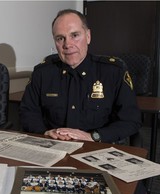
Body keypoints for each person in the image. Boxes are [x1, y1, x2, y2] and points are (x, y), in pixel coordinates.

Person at [19, 9, 141, 144]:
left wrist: (93, 136)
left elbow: (130, 120)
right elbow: (28, 112)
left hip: (97, 146)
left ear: (88, 36)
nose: (67, 45)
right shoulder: (42, 73)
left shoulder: (113, 72)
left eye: (75, 35)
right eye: (60, 38)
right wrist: (45, 132)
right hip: (53, 146)